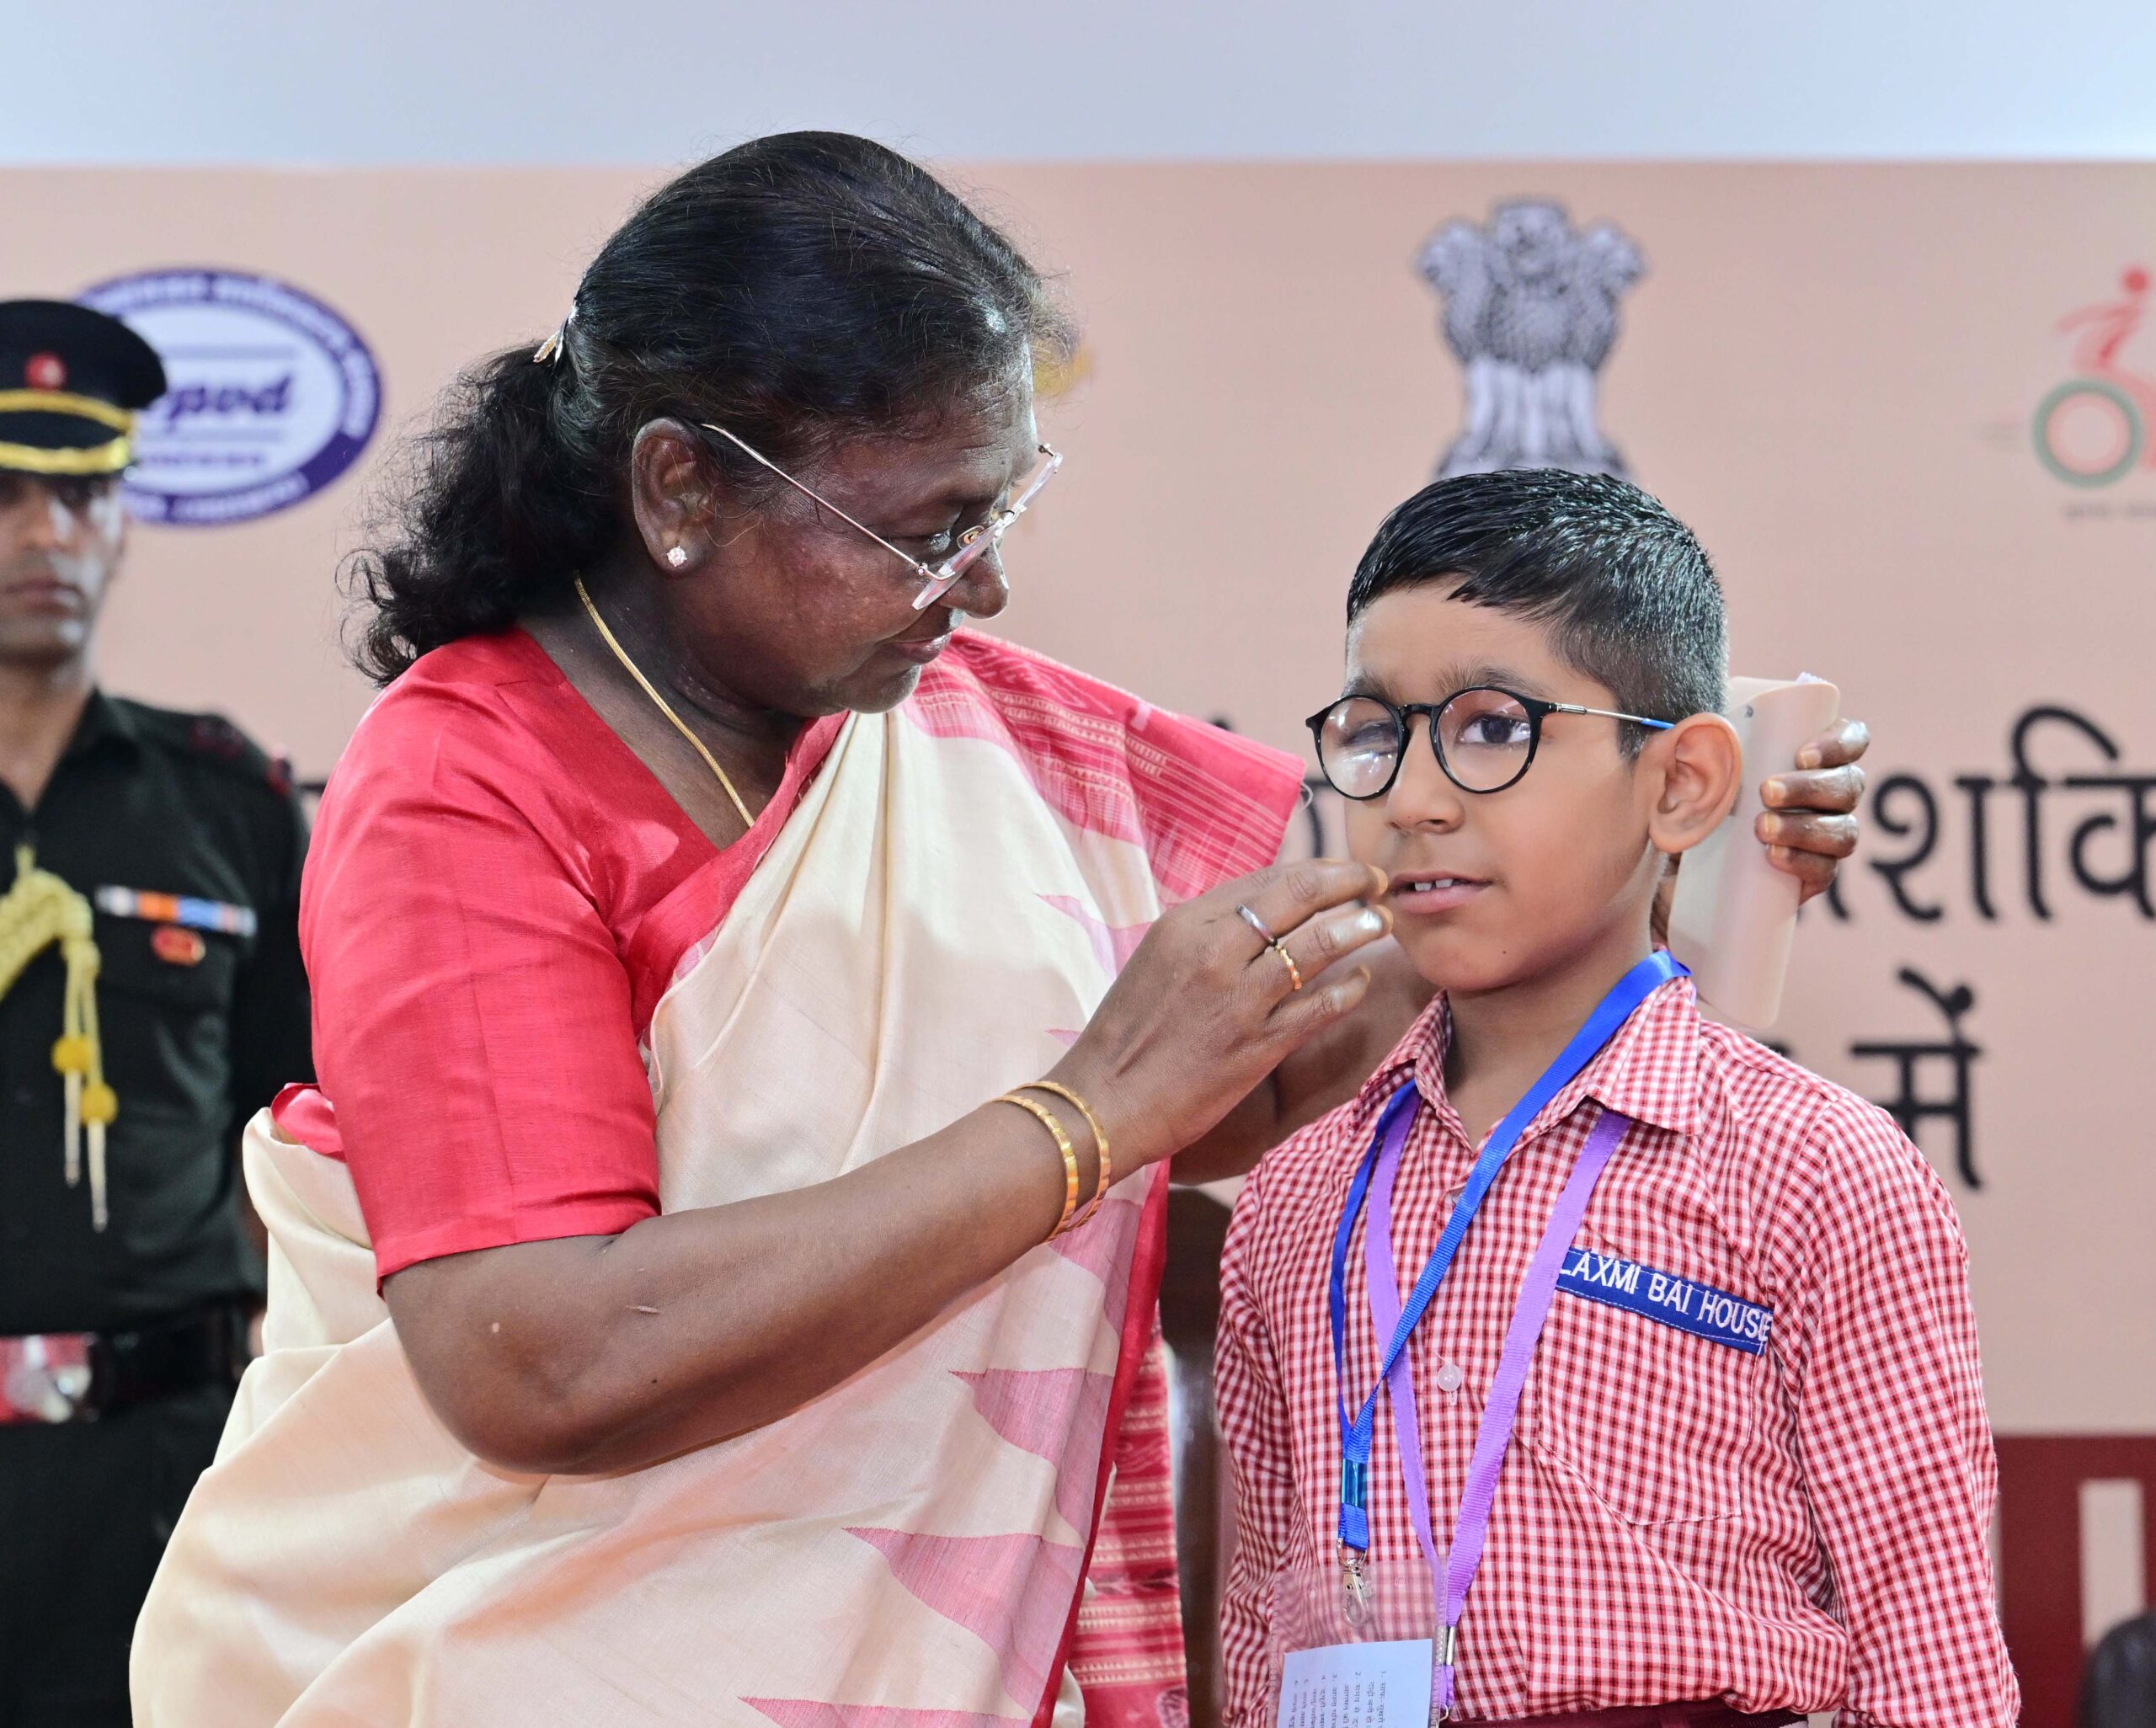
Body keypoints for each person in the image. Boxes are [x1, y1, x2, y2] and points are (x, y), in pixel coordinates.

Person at [131, 136, 1865, 1728]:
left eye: (1000, 510)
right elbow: (544, 1361)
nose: (981, 584)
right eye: (926, 530)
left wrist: (1636, 844)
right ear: (681, 489)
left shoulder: (982, 744)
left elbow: (1271, 1058)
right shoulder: (470, 782)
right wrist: (1087, 1117)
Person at [1215, 469, 2015, 1728]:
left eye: (1493, 728)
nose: (1413, 799)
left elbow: (1932, 1658)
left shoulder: (1816, 1167)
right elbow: (1264, 1618)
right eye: (1374, 734)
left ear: (1683, 784)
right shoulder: (1294, 1198)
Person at [0, 299, 312, 1725]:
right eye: (8, 496)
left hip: (163, 1470)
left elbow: (290, 1134)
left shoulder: (226, 806)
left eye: (80, 497)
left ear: (122, 525)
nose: (45, 537)